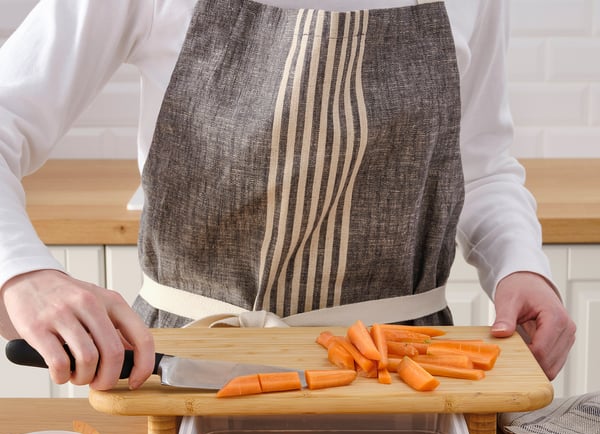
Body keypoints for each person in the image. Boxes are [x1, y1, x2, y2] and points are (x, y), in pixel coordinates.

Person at [0, 0, 576, 392]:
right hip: (186, 376)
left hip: (395, 384)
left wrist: (518, 265)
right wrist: (24, 273)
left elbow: (479, 163)